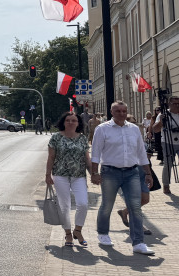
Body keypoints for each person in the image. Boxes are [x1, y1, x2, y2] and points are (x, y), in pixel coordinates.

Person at [89, 101, 155, 255]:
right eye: (118, 111)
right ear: (112, 112)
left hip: (131, 172)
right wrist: (94, 173)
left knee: (135, 207)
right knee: (107, 205)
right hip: (110, 172)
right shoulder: (102, 129)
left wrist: (148, 173)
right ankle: (103, 233)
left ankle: (138, 242)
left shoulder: (134, 129)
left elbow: (141, 153)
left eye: (124, 111)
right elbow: (96, 153)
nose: (121, 114)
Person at [45, 111, 92, 247]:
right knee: (64, 206)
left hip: (79, 176)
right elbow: (51, 157)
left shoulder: (82, 138)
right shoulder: (56, 137)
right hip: (60, 175)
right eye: (68, 120)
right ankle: (68, 234)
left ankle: (78, 230)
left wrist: (94, 173)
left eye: (74, 121)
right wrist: (48, 175)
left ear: (78, 123)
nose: (71, 123)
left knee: (83, 204)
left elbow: (87, 158)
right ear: (63, 122)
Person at [151, 95, 179, 195]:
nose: (176, 106)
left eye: (178, 103)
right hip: (168, 142)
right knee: (168, 165)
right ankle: (166, 185)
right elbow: (155, 129)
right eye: (174, 103)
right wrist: (161, 122)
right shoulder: (164, 114)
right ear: (169, 104)